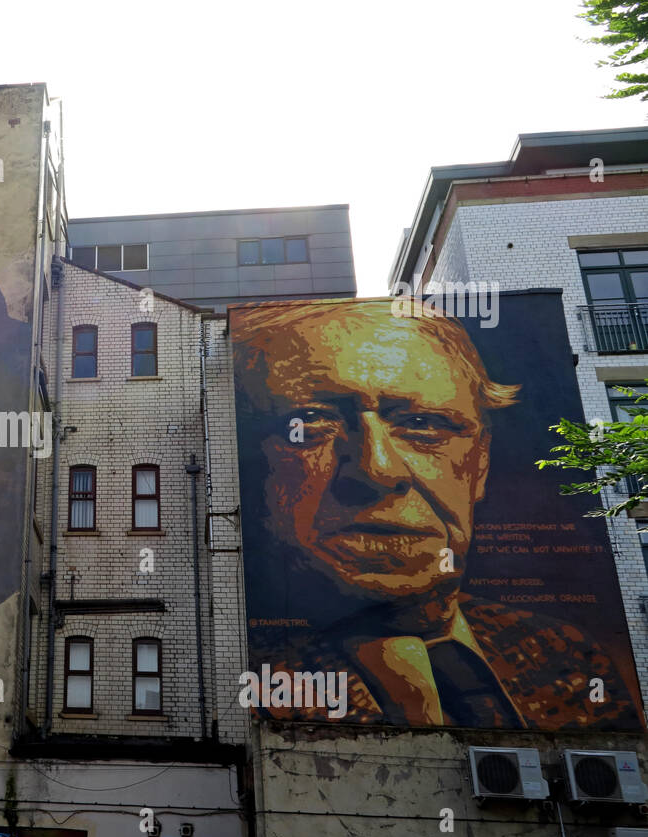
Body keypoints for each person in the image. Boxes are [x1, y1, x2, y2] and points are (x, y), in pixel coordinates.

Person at [234, 298, 644, 730]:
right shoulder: (246, 672)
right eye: (311, 421)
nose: (378, 469)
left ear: (480, 464)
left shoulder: (564, 653)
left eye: (423, 424)